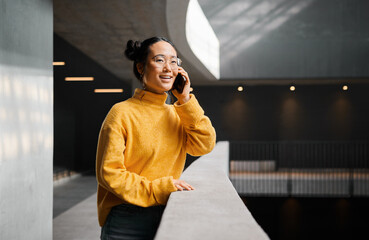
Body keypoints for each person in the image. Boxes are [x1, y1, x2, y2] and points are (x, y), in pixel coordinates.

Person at [96, 36, 216, 240]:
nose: (168, 68)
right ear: (141, 68)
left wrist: (185, 100)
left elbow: (204, 146)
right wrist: (158, 189)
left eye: (174, 61)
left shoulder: (179, 113)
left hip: (169, 210)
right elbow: (109, 173)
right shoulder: (121, 112)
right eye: (160, 60)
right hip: (127, 218)